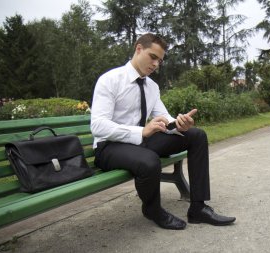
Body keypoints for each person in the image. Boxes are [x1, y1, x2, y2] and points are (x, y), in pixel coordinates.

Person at [91, 33, 235, 230]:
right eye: (153, 57)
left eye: (160, 60)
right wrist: (142, 131)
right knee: (149, 160)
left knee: (196, 136)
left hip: (140, 142)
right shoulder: (110, 80)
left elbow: (164, 118)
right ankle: (152, 210)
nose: (156, 64)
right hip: (109, 147)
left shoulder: (152, 86)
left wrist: (178, 123)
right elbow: (98, 125)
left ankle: (198, 208)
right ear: (139, 49)